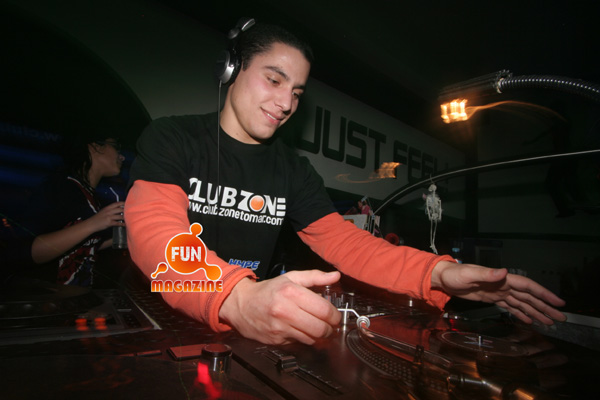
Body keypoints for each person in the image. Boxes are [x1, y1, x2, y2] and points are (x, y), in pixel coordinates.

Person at [125, 20, 566, 345]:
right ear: (231, 69)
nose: (285, 103)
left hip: (248, 329)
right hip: (161, 324)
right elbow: (154, 232)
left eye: (297, 93)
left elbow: (349, 245)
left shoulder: (294, 171)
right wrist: (235, 298)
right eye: (274, 79)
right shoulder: (173, 138)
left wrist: (439, 273)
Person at [22, 137, 126, 286]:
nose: (122, 156)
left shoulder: (90, 196)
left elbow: (83, 246)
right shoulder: (60, 188)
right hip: (47, 296)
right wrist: (94, 224)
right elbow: (30, 251)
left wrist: (123, 237)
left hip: (75, 295)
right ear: (95, 147)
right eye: (116, 147)